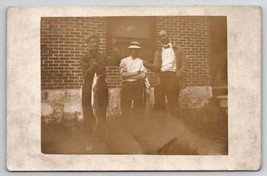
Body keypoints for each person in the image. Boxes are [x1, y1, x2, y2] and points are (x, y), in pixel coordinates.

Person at [144, 30, 187, 117]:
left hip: (173, 77)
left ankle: (175, 125)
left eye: (163, 35)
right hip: (160, 77)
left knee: (173, 102)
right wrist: (148, 65)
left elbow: (184, 64)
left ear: (168, 36)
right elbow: (156, 67)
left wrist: (178, 75)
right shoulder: (158, 52)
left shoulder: (178, 50)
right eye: (160, 37)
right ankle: (161, 127)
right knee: (159, 103)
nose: (162, 38)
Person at [80, 34, 108, 151]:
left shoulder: (102, 56)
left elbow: (105, 71)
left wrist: (100, 66)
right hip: (89, 88)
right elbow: (85, 75)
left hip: (101, 87)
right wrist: (92, 68)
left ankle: (101, 139)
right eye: (91, 42)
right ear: (88, 44)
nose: (94, 44)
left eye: (96, 42)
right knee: (88, 115)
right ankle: (89, 141)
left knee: (102, 114)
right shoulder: (84, 58)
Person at [120, 42, 147, 118]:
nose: (134, 51)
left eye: (136, 50)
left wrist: (129, 75)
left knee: (138, 108)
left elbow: (142, 76)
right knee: (125, 107)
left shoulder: (141, 62)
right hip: (126, 85)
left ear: (139, 51)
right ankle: (126, 127)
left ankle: (136, 127)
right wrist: (135, 73)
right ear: (130, 50)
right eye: (133, 49)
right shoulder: (124, 61)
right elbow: (122, 75)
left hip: (137, 85)